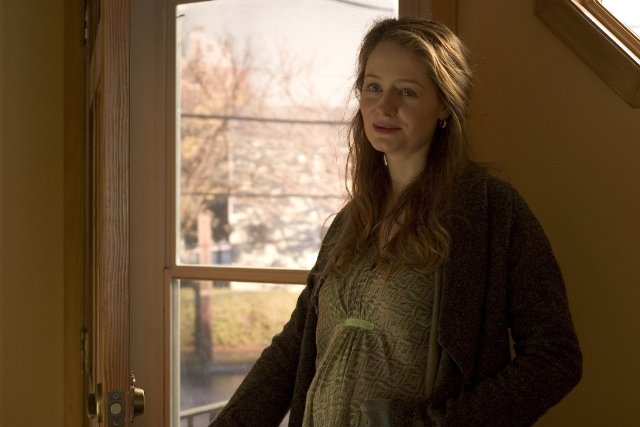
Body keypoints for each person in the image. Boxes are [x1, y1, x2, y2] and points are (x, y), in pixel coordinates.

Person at [210, 17, 582, 426]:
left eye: (407, 91)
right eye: (373, 87)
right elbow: (292, 351)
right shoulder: (349, 223)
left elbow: (555, 358)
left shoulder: (491, 211)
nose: (384, 107)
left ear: (444, 105)